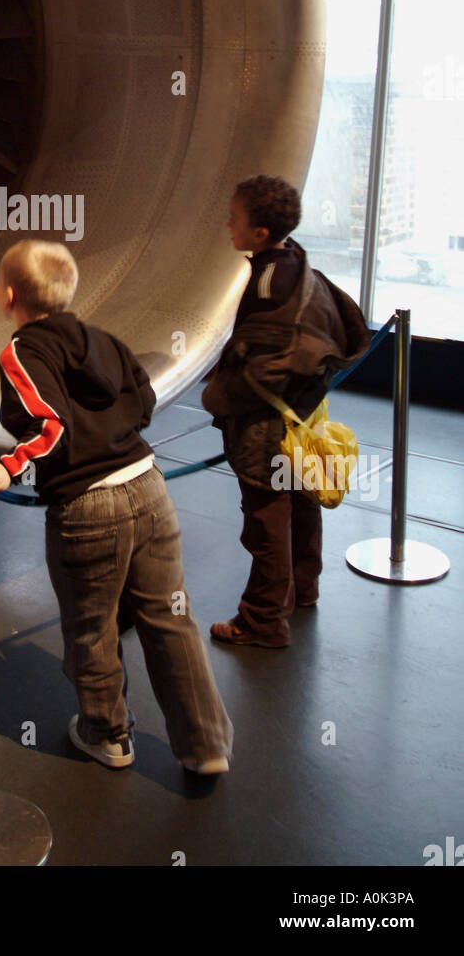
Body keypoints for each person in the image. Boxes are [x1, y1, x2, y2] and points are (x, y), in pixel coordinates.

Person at [0, 239, 233, 775]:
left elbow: (51, 426)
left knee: (92, 628)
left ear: (8, 294)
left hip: (89, 507)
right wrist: (111, 437)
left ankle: (107, 735)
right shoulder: (103, 339)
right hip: (148, 484)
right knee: (171, 616)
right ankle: (206, 746)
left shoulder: (21, 351)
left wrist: (11, 465)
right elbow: (144, 401)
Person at [201, 176, 370, 648]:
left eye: (234, 217)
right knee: (300, 498)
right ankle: (303, 586)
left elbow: (260, 368)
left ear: (258, 233)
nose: (227, 223)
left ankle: (262, 620)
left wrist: (217, 396)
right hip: (300, 414)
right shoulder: (294, 259)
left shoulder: (268, 286)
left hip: (266, 425)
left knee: (266, 517)